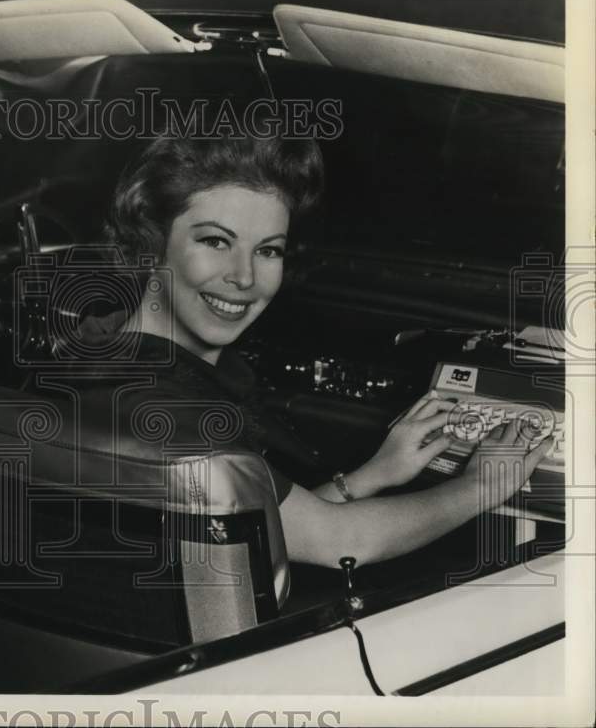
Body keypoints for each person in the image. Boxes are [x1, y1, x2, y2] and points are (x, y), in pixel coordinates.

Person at [97, 132, 553, 569]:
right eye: (216, 241)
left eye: (269, 251)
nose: (245, 277)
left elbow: (268, 524)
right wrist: (481, 485)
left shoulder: (106, 360)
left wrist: (374, 474)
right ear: (149, 246)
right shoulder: (171, 411)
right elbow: (340, 543)